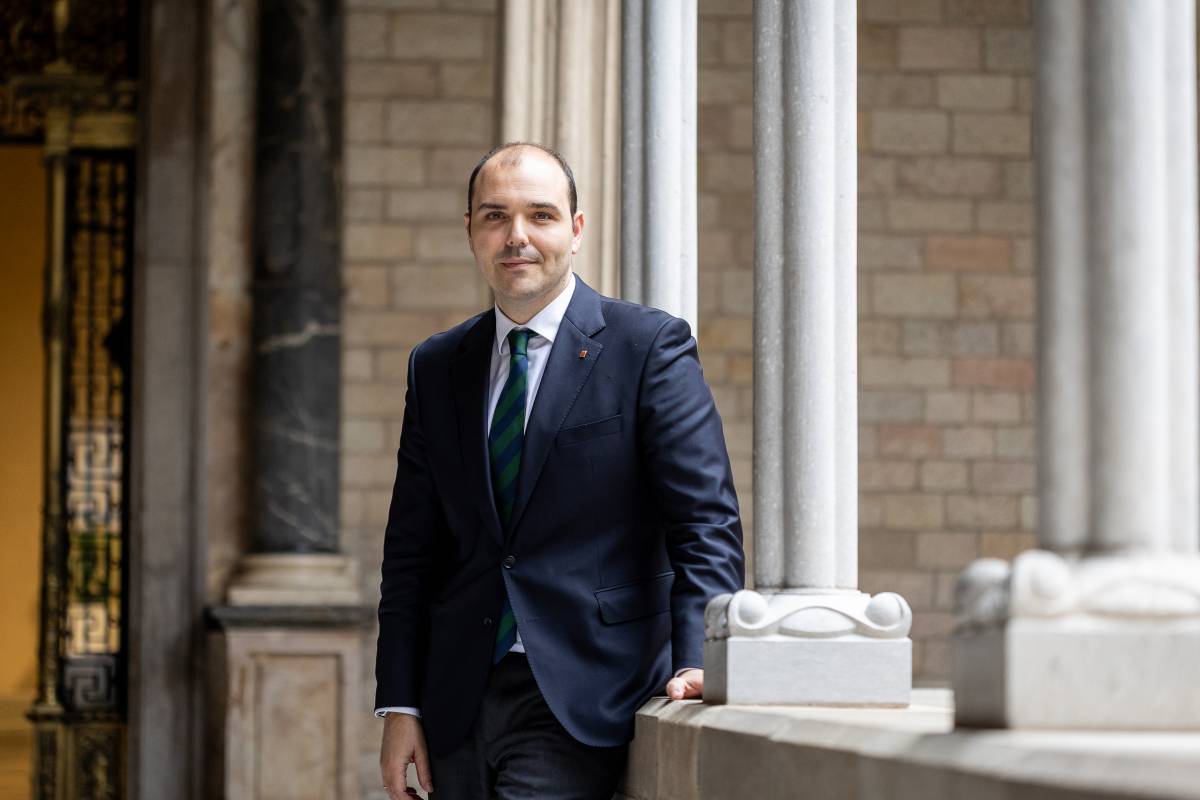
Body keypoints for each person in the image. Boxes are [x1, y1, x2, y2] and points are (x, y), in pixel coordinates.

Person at [375, 142, 744, 799]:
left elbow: (704, 521)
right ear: (470, 231)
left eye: (540, 215)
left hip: (587, 690)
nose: (516, 236)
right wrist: (400, 701)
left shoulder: (647, 347)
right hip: (456, 697)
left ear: (575, 230)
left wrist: (700, 657)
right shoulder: (436, 365)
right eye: (495, 216)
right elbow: (411, 548)